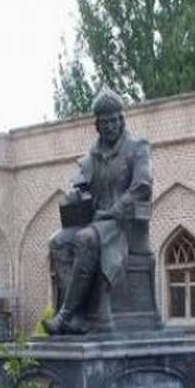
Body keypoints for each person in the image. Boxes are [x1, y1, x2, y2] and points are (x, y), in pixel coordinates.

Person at [44, 88, 152, 335]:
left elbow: (142, 185)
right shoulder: (91, 157)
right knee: (58, 242)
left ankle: (64, 315)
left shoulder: (137, 148)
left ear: (121, 120)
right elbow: (82, 185)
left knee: (85, 239)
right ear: (97, 126)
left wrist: (116, 209)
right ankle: (78, 316)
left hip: (123, 224)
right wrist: (75, 196)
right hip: (94, 221)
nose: (110, 126)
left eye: (114, 120)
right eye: (104, 122)